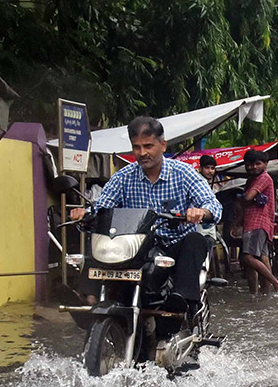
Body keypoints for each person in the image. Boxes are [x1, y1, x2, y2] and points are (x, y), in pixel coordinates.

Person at [68, 116, 220, 314]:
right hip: (135, 248)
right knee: (102, 239)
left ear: (163, 145)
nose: (142, 153)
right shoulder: (122, 177)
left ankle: (183, 301)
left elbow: (213, 205)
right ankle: (88, 298)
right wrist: (85, 214)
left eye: (148, 146)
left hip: (174, 246)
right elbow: (102, 209)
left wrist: (201, 211)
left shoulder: (184, 173)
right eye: (137, 147)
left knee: (196, 239)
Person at [238, 149, 278, 296]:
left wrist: (242, 198)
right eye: (249, 164)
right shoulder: (252, 180)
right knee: (262, 258)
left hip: (257, 222)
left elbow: (247, 198)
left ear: (265, 164)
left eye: (257, 164)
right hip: (259, 223)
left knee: (248, 258)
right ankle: (262, 294)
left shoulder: (263, 178)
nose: (253, 167)